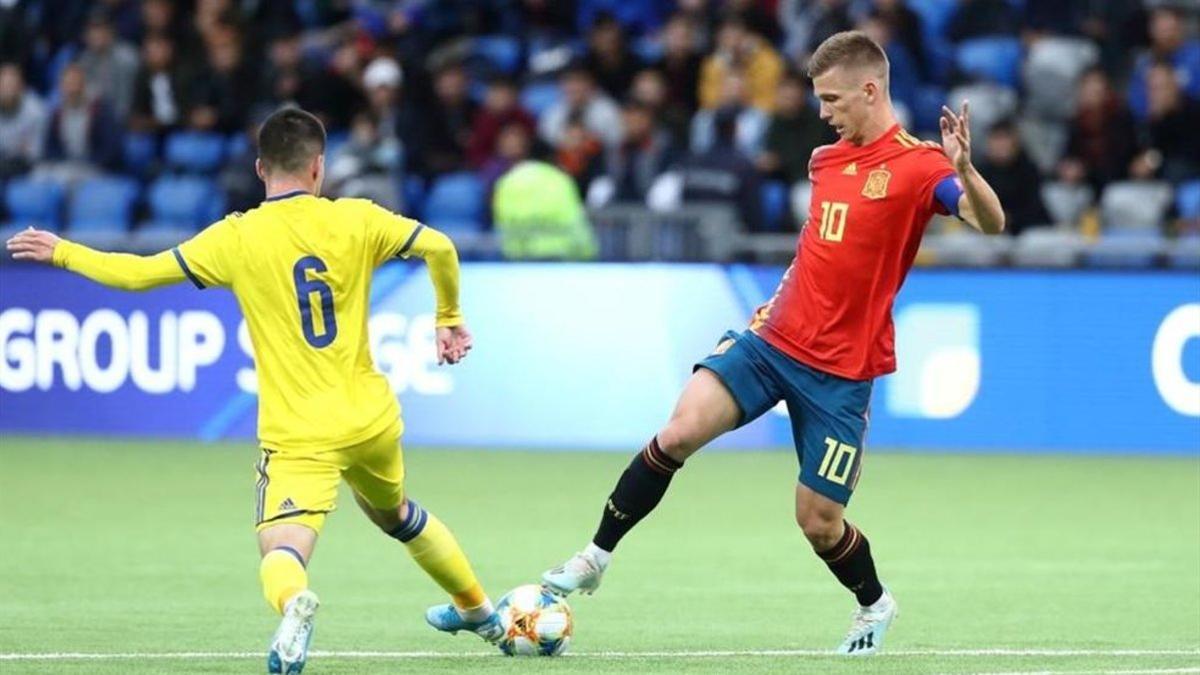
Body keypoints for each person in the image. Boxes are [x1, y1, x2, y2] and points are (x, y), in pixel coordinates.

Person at [541, 30, 1004, 656]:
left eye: (833, 99)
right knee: (678, 432)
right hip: (772, 339)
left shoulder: (920, 167)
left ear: (871, 91)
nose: (823, 112)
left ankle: (874, 604)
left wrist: (967, 171)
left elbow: (989, 222)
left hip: (841, 372)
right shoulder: (825, 160)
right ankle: (594, 557)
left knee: (817, 522)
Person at [6, 108, 501, 674]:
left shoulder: (237, 237)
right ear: (319, 167)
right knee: (397, 515)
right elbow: (439, 246)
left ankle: (295, 604)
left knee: (282, 548)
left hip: (300, 434)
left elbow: (137, 276)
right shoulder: (358, 218)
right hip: (372, 419)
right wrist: (448, 316)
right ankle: (480, 611)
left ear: (261, 167)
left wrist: (63, 251)